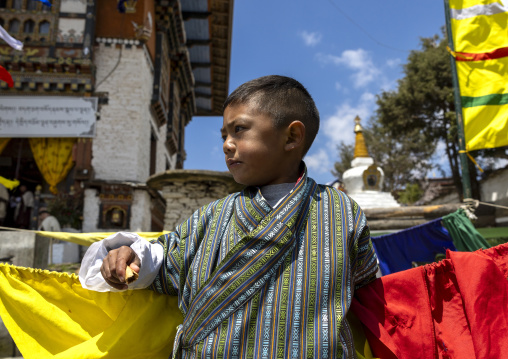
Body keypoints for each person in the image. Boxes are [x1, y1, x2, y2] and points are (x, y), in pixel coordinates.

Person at [79, 75, 378, 358]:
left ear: (292, 137)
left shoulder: (341, 212)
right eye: (224, 134)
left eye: (239, 130)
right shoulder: (212, 216)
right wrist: (130, 256)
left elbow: (370, 295)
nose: (226, 144)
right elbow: (163, 261)